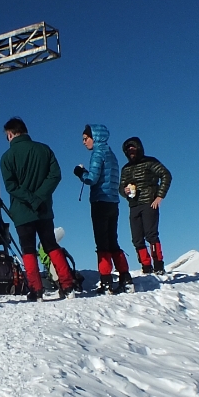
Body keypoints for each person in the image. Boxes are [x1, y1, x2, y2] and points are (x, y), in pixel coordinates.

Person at [0, 117, 78, 301]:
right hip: (43, 209)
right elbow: (55, 175)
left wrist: (30, 199)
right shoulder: (44, 149)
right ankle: (67, 286)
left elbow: (11, 187)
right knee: (51, 245)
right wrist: (40, 198)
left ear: (10, 134)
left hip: (22, 211)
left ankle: (36, 290)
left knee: (28, 249)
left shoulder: (7, 157)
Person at [75, 124, 132, 294]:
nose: (84, 142)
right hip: (113, 202)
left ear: (95, 137)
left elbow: (92, 179)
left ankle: (106, 281)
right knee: (113, 240)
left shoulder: (97, 154)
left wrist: (80, 172)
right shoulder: (111, 154)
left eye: (86, 138)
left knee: (102, 243)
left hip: (99, 201)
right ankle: (125, 277)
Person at [120, 136, 172, 274]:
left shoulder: (150, 161)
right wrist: (124, 191)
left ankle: (158, 266)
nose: (131, 151)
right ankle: (146, 267)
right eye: (128, 149)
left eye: (133, 147)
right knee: (137, 238)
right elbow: (121, 187)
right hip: (133, 205)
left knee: (151, 235)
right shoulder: (125, 168)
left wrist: (160, 196)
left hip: (149, 202)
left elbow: (166, 175)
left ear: (139, 148)